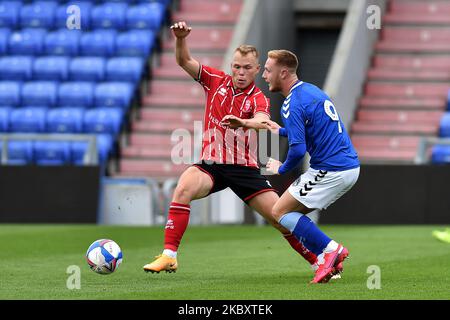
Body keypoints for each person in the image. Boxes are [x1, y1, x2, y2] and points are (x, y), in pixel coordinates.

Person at [143, 22, 319, 273]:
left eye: (247, 68)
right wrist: (181, 39)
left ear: (257, 70)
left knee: (281, 218)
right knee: (182, 188)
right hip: (212, 165)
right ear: (231, 67)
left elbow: (261, 120)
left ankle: (318, 261)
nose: (240, 72)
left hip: (244, 170)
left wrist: (243, 122)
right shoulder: (214, 80)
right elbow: (184, 61)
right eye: (236, 66)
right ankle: (169, 255)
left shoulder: (258, 97)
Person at [260, 49, 360, 283]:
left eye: (268, 70)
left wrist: (281, 169)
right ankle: (329, 258)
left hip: (331, 169)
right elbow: (310, 129)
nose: (264, 75)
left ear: (283, 72)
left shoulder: (291, 103)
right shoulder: (311, 90)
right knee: (287, 213)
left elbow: (297, 149)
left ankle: (330, 250)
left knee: (279, 212)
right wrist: (280, 130)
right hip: (346, 166)